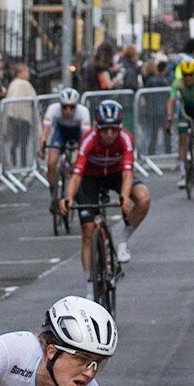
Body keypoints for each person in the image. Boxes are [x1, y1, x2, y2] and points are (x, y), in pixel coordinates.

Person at [61, 99, 150, 268]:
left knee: (143, 197)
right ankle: (89, 288)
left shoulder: (125, 138)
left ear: (120, 127)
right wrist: (68, 197)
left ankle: (123, 240)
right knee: (87, 232)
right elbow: (77, 173)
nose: (109, 134)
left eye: (114, 129)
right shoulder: (88, 139)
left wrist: (124, 196)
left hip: (115, 174)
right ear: (97, 128)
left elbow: (127, 172)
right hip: (90, 177)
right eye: (104, 129)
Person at [42, 86, 89, 203]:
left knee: (81, 161)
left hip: (77, 132)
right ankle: (53, 193)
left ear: (77, 105)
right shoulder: (53, 108)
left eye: (72, 107)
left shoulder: (83, 111)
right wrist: (42, 148)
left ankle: (77, 188)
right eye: (64, 107)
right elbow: (45, 132)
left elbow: (86, 138)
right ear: (60, 105)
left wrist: (81, 154)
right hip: (61, 132)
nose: (68, 111)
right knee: (51, 163)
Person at [166, 59, 194, 183]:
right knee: (182, 139)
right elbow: (171, 100)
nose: (188, 78)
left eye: (191, 75)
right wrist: (169, 117)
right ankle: (183, 174)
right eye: (186, 75)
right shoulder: (178, 83)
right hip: (185, 110)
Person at [3, 62, 38, 167]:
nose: (28, 74)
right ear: (20, 73)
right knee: (23, 142)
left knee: (16, 140)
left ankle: (14, 162)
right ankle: (23, 165)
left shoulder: (13, 84)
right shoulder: (25, 84)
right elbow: (34, 99)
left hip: (13, 116)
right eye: (26, 71)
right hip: (24, 117)